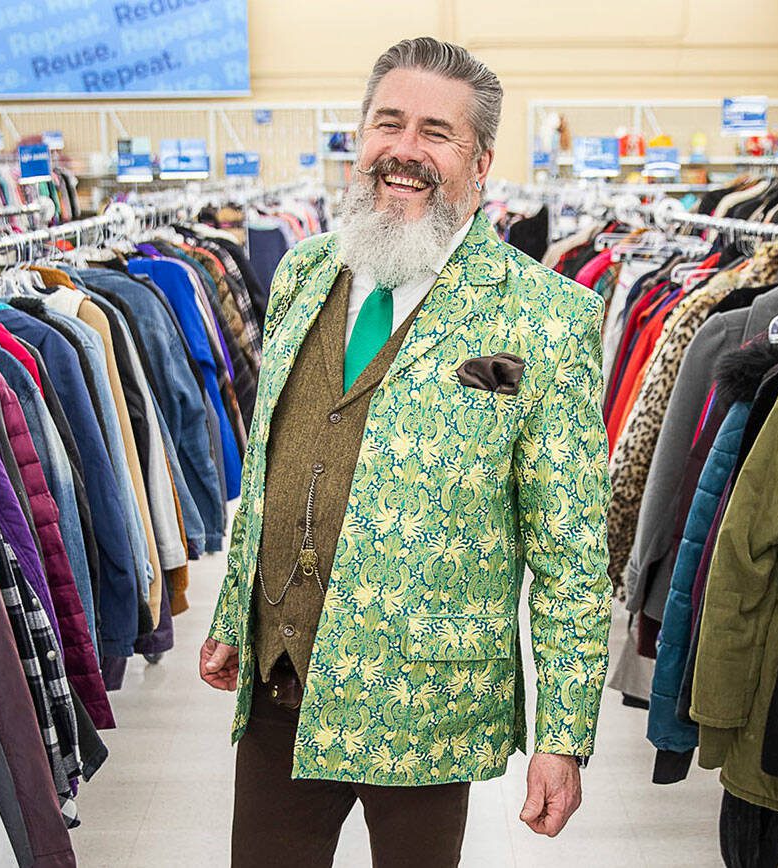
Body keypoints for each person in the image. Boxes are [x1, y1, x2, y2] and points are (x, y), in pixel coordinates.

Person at [201, 35, 612, 867]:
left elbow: (572, 551)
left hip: (427, 698)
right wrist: (231, 616)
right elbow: (272, 456)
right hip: (285, 670)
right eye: (389, 125)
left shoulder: (546, 316)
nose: (405, 151)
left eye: (436, 133)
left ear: (481, 159)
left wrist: (564, 735)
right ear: (361, 137)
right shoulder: (302, 273)